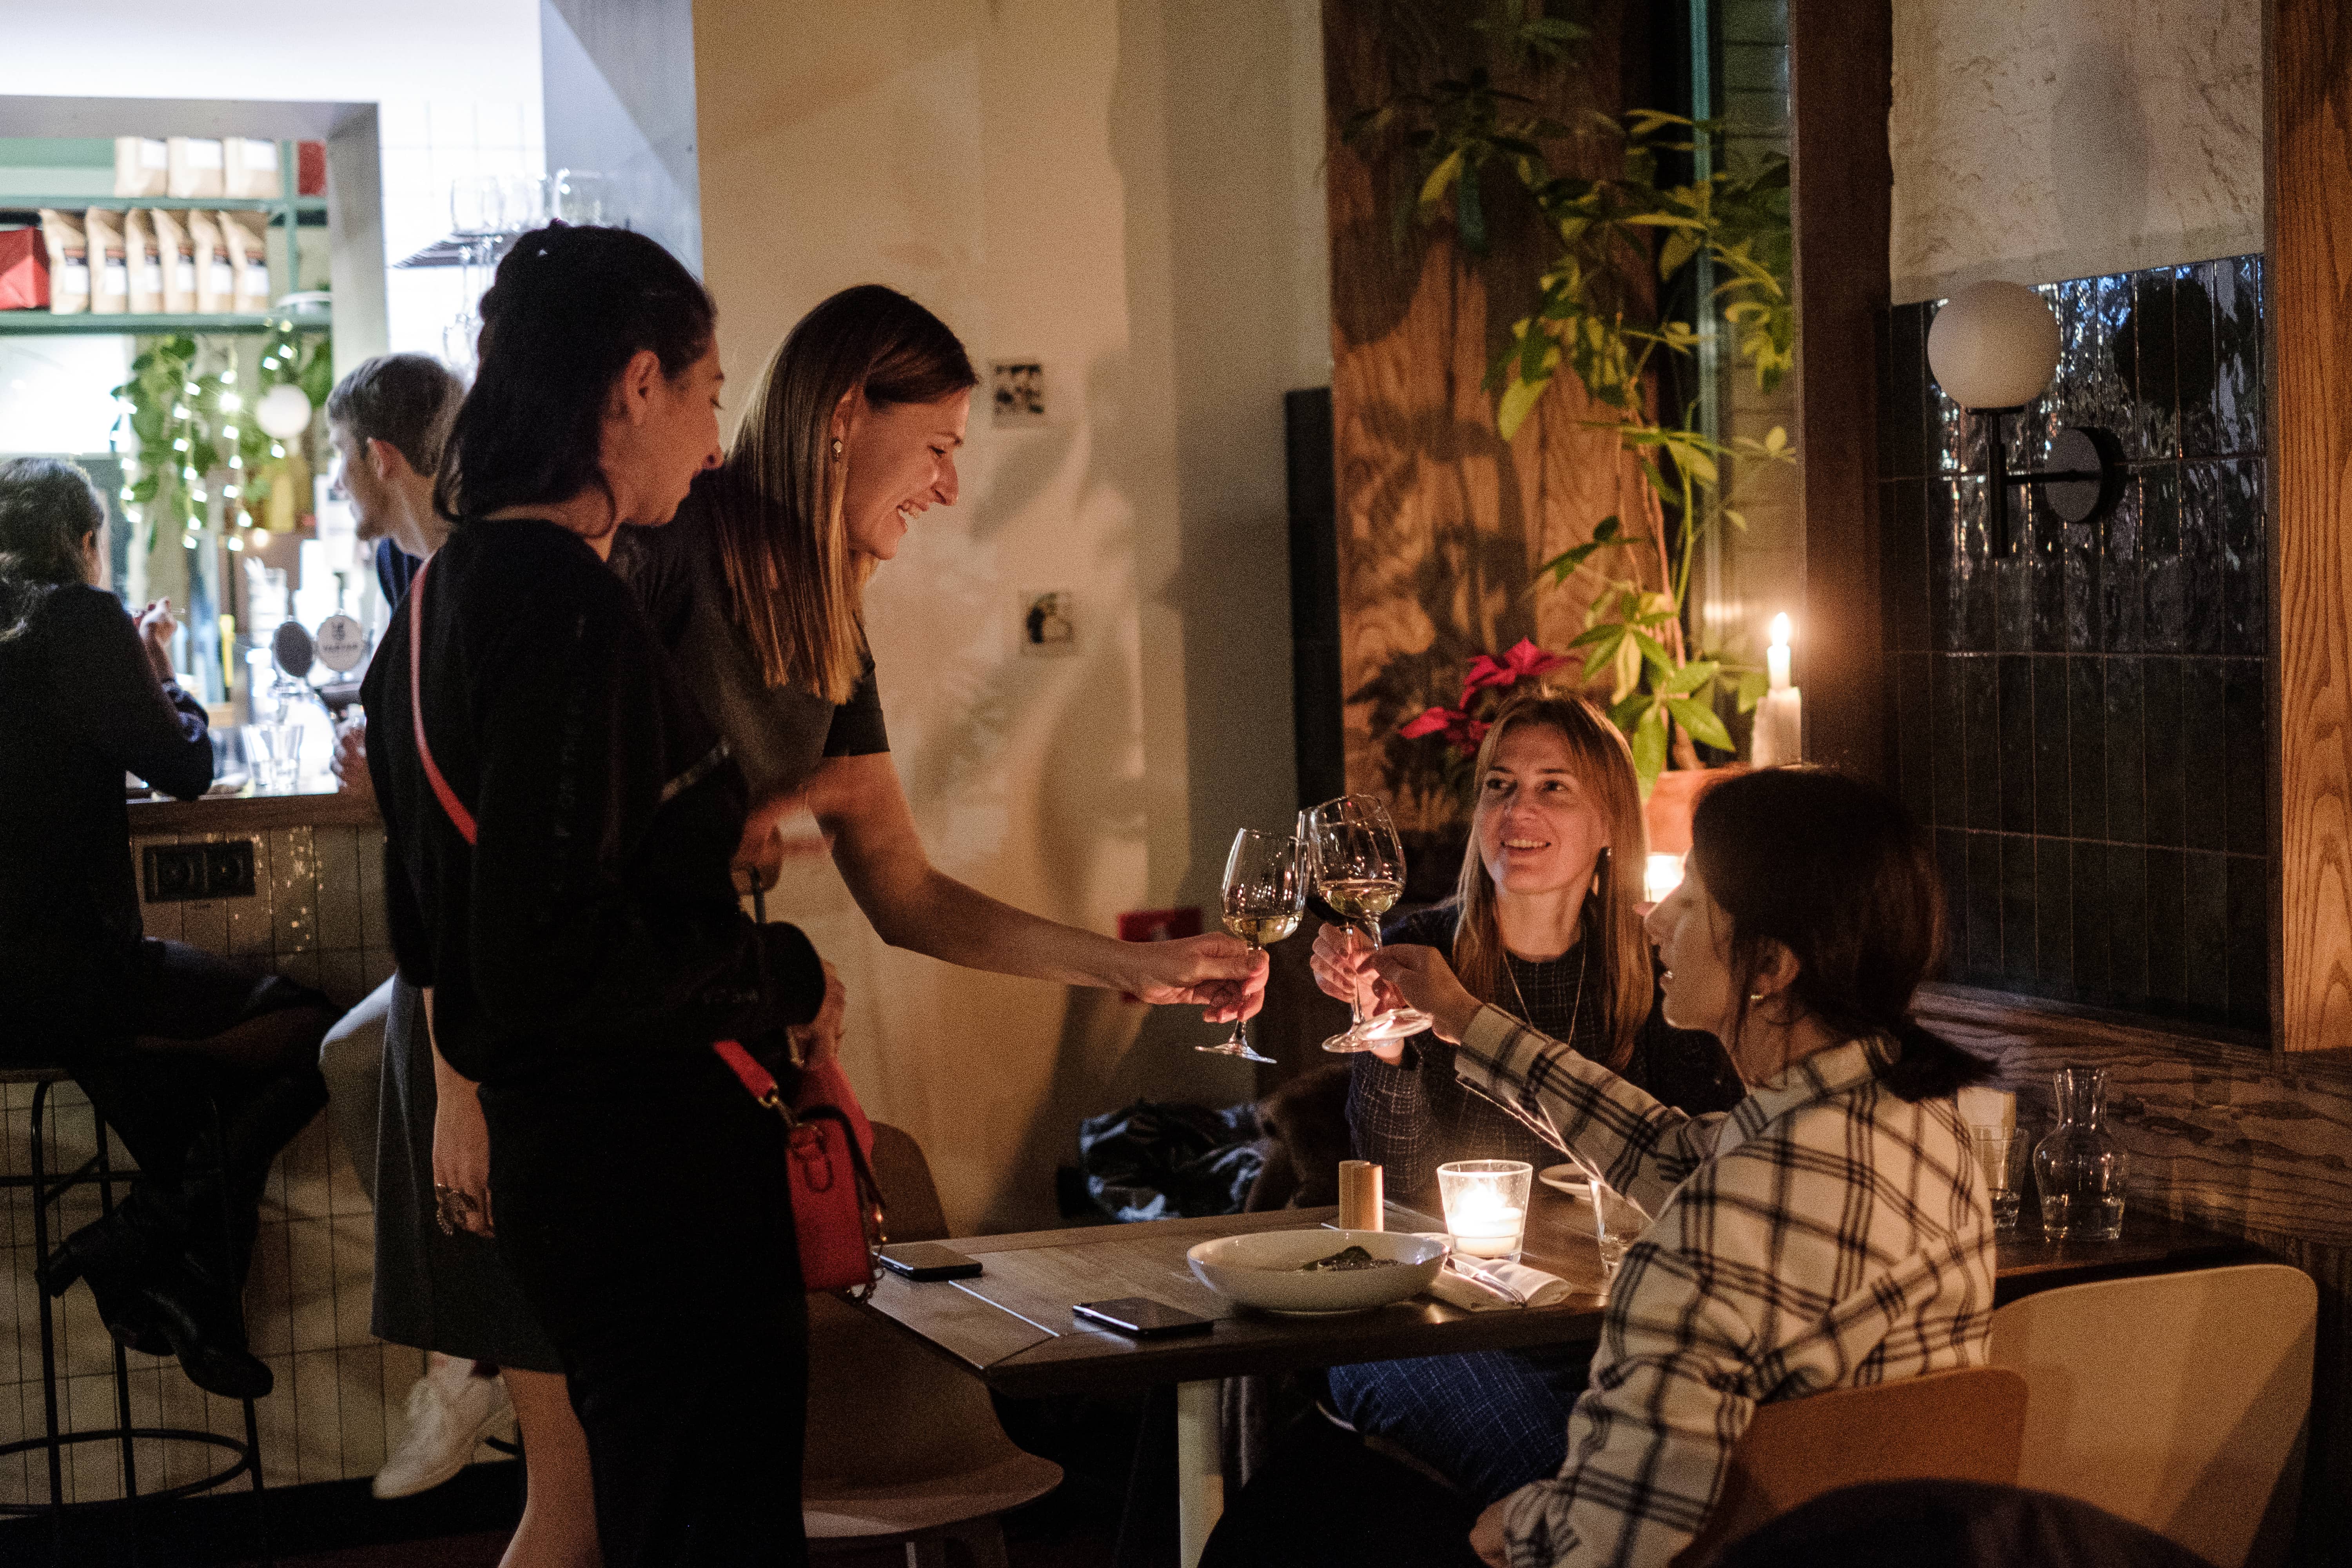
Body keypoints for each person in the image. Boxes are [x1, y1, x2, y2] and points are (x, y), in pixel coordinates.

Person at [362, 224, 838, 1568]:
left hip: (564, 1172)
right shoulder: (565, 602)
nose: (712, 438)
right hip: (654, 1168)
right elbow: (550, 954)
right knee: (710, 1528)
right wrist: (781, 978)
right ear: (634, 385)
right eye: (705, 395)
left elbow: (436, 927)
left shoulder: (430, 608)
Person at [1210, 766, 1996, 1568]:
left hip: (1730, 1547)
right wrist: (1464, 1018)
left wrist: (1516, 1523)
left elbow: (1608, 1544)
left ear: (1771, 969)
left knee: (1315, 1499)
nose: (1659, 921)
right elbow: (1665, 1150)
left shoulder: (1726, 1218)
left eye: (1690, 896)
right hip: (1883, 1541)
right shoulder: (1929, 1130)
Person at [613, 283, 1265, 1021]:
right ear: (844, 414)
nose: (949, 489)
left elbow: (908, 897)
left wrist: (1133, 966)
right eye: (938, 449)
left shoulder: (830, 624)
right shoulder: (667, 548)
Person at [1306, 690, 1744, 1507]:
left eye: (1554, 787)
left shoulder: (1662, 972)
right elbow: (1392, 1197)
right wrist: (1386, 1040)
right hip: (1433, 1325)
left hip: (1599, 1321)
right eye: (1499, 785)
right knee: (1568, 1470)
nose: (1518, 809)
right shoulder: (1418, 951)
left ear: (1612, 821)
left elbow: (1696, 1167)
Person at [319, 352, 599, 1562]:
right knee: (360, 1051)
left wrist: (467, 1090)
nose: (339, 489)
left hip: (522, 997)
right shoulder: (435, 579)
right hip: (496, 972)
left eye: (341, 462)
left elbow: (471, 850)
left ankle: (463, 1346)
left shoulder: (481, 582)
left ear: (384, 456)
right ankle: (461, 1343)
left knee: (387, 1058)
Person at [0, 456, 333, 1401]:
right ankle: (141, 1234)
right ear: (84, 541)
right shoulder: (74, 616)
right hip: (74, 978)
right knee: (317, 1031)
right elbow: (187, 766)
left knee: (181, 1094)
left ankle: (193, 1298)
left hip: (24, 1000)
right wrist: (154, 671)